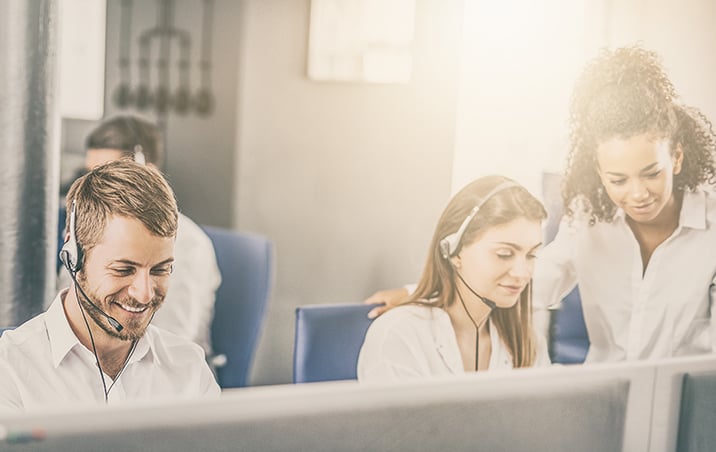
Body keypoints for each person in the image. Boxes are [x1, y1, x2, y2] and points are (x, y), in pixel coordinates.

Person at [365, 45, 716, 363]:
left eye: (651, 173)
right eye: (618, 180)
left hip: (693, 407)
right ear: (599, 171)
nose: (637, 194)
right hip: (608, 400)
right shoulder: (588, 217)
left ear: (678, 158)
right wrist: (424, 294)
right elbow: (536, 280)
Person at [0, 160, 220, 411]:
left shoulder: (189, 368)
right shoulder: (10, 372)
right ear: (74, 255)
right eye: (123, 270)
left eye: (160, 270)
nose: (145, 293)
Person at [56, 115, 221, 358]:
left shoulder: (186, 245)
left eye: (111, 176)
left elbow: (171, 344)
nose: (95, 188)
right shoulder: (84, 228)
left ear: (148, 172)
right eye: (89, 174)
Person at [358, 176, 551, 381]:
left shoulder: (529, 344)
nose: (522, 273)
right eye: (504, 254)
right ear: (453, 251)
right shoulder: (398, 336)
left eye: (531, 255)